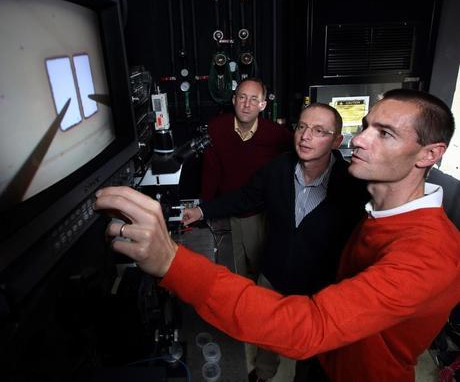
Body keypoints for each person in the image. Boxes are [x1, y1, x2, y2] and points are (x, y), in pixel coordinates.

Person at [94, 89, 460, 382]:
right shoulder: (380, 212)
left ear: (429, 154)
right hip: (325, 358)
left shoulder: (428, 254)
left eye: (385, 133)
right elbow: (246, 196)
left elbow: (310, 327)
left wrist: (172, 261)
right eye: (365, 126)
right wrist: (202, 210)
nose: (360, 140)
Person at [183, 103, 369, 381]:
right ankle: (263, 372)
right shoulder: (278, 168)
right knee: (266, 335)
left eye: (319, 131)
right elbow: (245, 196)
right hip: (273, 275)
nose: (305, 136)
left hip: (319, 288)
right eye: (302, 127)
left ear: (336, 141)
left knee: (311, 353)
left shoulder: (351, 184)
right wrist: (201, 210)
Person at [201, 77, 292, 280]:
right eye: (242, 97)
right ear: (233, 100)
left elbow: (289, 171)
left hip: (259, 215)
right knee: (232, 274)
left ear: (263, 105)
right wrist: (205, 210)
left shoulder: (277, 135)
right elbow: (210, 172)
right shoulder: (216, 129)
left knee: (262, 272)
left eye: (253, 99)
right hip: (225, 212)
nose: (246, 104)